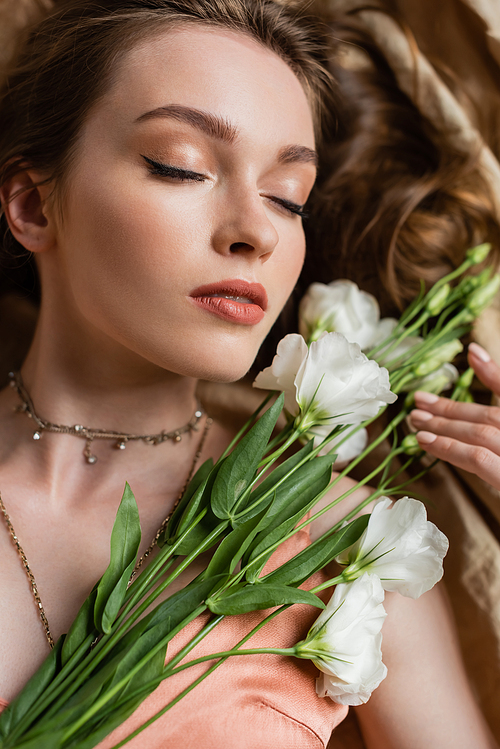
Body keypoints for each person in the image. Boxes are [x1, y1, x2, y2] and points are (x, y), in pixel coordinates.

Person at [0, 1, 497, 747]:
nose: (258, 230)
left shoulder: (347, 544)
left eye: (287, 197)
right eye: (183, 165)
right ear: (35, 204)